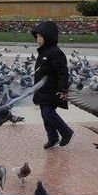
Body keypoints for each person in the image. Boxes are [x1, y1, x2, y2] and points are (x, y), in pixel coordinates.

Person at [31, 20, 74, 149]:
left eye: (40, 36)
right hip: (42, 91)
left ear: (48, 37)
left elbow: (62, 73)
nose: (37, 39)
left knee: (49, 113)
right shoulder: (43, 52)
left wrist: (63, 89)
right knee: (45, 115)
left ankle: (66, 132)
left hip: (52, 91)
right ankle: (52, 137)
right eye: (37, 36)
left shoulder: (55, 53)